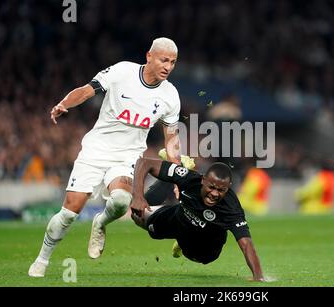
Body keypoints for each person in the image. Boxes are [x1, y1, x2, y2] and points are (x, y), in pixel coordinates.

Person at [28, 37, 182, 277]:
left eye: (173, 62)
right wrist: (64, 103)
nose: (168, 66)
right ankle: (42, 259)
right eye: (164, 60)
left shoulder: (170, 95)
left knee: (121, 201)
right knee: (69, 212)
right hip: (96, 150)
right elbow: (88, 90)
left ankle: (100, 223)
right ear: (149, 56)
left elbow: (171, 139)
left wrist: (178, 174)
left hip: (128, 156)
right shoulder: (122, 72)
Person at [130, 157, 265, 282]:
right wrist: (137, 196)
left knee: (197, 253)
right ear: (203, 179)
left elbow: (246, 244)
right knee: (137, 216)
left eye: (221, 190)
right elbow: (144, 162)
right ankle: (173, 170)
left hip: (204, 248)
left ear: (228, 187)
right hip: (179, 220)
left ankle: (181, 243)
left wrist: (258, 277)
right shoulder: (189, 179)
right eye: (211, 187)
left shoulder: (231, 208)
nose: (214, 194)